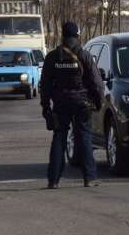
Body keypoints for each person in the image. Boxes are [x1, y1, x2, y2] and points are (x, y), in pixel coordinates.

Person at [40, 21, 105, 189]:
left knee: (59, 138)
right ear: (77, 36)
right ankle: (89, 178)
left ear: (63, 36)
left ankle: (53, 180)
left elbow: (45, 85)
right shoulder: (84, 56)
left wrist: (46, 107)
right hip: (82, 103)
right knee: (84, 138)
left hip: (61, 103)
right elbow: (97, 83)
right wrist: (98, 103)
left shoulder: (53, 57)